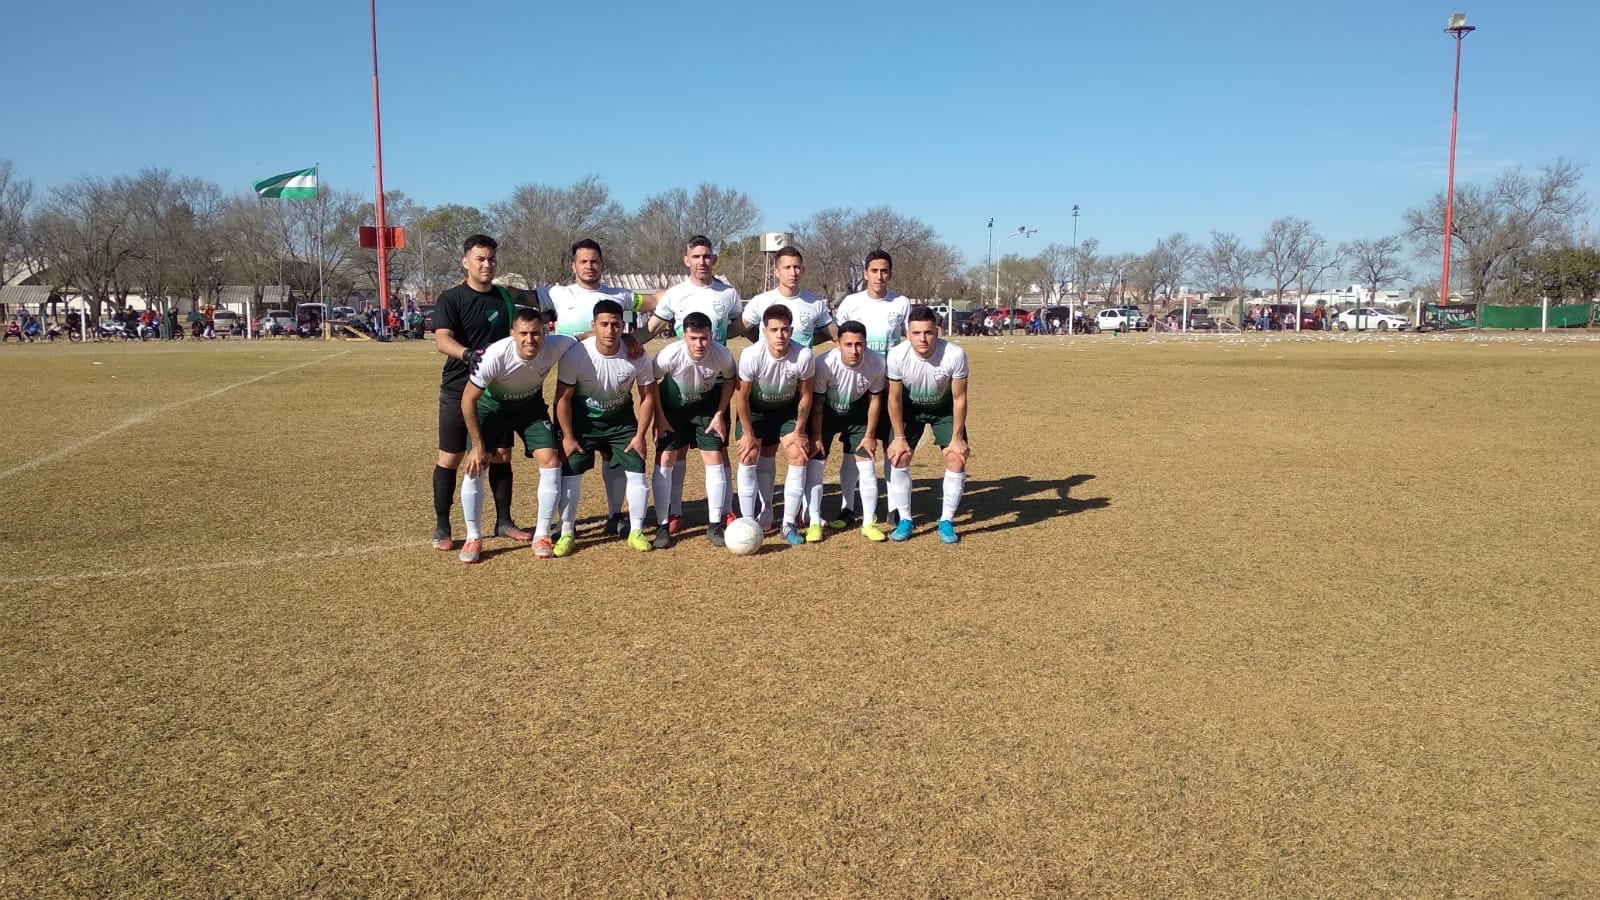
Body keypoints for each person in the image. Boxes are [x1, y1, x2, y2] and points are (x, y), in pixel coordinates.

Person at [541, 238, 659, 536]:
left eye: (594, 261)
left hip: (617, 412)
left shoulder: (620, 295)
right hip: (580, 403)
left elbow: (657, 301)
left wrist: (640, 335)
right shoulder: (558, 293)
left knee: (616, 460)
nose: (589, 266)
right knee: (567, 466)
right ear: (574, 265)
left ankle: (615, 517)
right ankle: (564, 528)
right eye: (583, 261)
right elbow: (520, 299)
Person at [429, 234, 533, 552]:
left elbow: (537, 301)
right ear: (466, 262)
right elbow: (442, 340)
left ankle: (503, 522)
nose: (486, 264)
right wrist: (468, 354)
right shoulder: (451, 298)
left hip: (496, 392)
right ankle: (443, 526)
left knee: (501, 454)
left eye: (490, 259)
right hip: (459, 387)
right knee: (451, 457)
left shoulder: (504, 296)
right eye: (480, 259)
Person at [457, 307, 577, 563]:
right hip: (492, 407)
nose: (530, 339)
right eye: (523, 333)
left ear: (545, 332)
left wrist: (626, 339)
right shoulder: (495, 356)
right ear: (513, 333)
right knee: (476, 465)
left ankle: (542, 534)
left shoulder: (556, 345)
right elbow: (468, 400)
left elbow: (585, 337)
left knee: (551, 460)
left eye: (536, 333)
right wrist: (478, 446)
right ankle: (473, 537)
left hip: (529, 408)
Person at [645, 235, 746, 529]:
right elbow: (653, 327)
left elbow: (740, 327)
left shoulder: (728, 293)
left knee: (718, 448)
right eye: (696, 256)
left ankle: (724, 509)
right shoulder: (675, 294)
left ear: (713, 259)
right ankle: (673, 512)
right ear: (686, 259)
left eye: (707, 256)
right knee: (675, 451)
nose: (702, 261)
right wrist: (630, 341)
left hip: (716, 382)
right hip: (681, 378)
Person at [553, 299, 660, 555]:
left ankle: (635, 530)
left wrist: (640, 435)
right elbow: (563, 399)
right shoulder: (576, 355)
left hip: (621, 422)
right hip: (583, 423)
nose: (610, 330)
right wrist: (567, 436)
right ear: (594, 325)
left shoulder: (637, 354)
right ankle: (567, 532)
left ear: (623, 326)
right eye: (604, 324)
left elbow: (648, 397)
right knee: (571, 474)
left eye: (615, 324)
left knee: (636, 469)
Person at [830, 250, 912, 528]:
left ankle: (895, 508)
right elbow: (843, 340)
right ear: (865, 273)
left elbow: (908, 340)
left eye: (884, 271)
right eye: (874, 271)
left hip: (890, 386)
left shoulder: (901, 303)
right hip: (857, 386)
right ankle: (847, 507)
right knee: (854, 449)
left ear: (890, 273)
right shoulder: (851, 304)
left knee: (892, 446)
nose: (879, 276)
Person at [649, 311, 736, 548]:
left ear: (711, 336)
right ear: (684, 336)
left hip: (706, 408)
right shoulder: (668, 355)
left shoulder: (722, 355)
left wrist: (719, 414)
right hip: (673, 410)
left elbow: (730, 380)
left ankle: (715, 524)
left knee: (714, 456)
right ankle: (663, 525)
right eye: (694, 338)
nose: (700, 344)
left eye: (704, 338)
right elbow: (649, 383)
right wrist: (659, 415)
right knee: (666, 457)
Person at [885, 305, 970, 544]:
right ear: (907, 333)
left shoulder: (955, 354)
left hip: (943, 410)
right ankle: (905, 519)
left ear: (937, 331)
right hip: (910, 410)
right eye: (916, 333)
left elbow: (959, 398)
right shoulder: (897, 355)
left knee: (956, 457)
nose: (923, 338)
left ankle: (946, 520)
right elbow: (893, 398)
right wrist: (900, 437)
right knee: (899, 457)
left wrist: (957, 437)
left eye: (928, 332)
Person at [733, 305, 815, 546]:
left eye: (785, 329)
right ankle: (751, 520)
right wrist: (748, 433)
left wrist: (800, 430)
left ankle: (788, 523)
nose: (780, 335)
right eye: (774, 330)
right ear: (764, 331)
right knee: (749, 454)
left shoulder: (803, 355)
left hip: (787, 412)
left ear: (791, 330)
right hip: (756, 412)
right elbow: (742, 397)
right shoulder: (751, 355)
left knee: (798, 455)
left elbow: (806, 395)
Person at [807, 320, 888, 542]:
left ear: (866, 344)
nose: (854, 350)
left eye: (859, 344)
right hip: (825, 416)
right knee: (816, 465)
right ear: (838, 344)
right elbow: (817, 403)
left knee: (868, 467)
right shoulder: (823, 364)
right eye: (848, 344)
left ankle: (869, 522)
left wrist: (870, 435)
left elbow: (875, 401)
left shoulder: (877, 363)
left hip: (857, 416)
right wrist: (815, 436)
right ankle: (814, 522)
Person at [741, 246, 835, 350]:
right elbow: (742, 327)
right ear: (776, 272)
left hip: (801, 365)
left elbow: (831, 332)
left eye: (797, 267)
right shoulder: (760, 301)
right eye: (787, 267)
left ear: (803, 270)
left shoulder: (816, 302)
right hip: (768, 366)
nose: (793, 273)